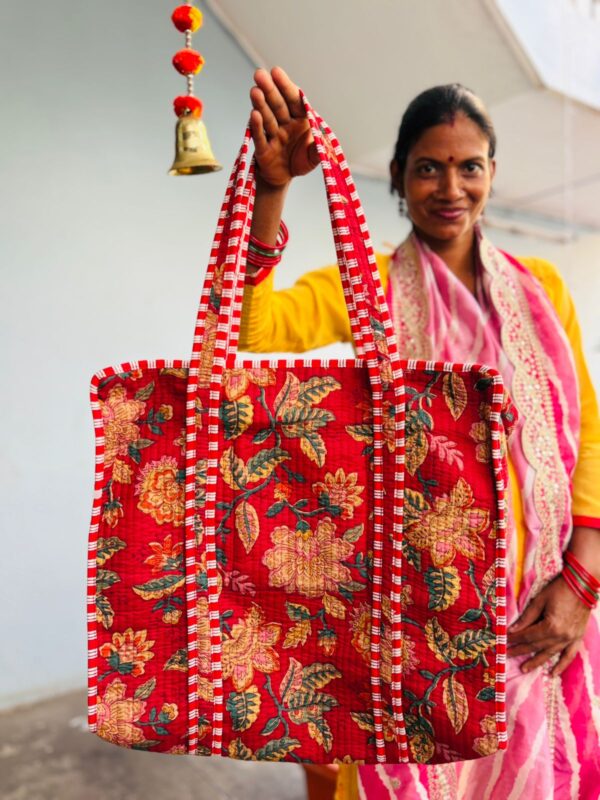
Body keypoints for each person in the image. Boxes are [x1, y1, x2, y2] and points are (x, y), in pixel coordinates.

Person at [238, 66, 600, 799]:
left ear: (492, 174)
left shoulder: (543, 289)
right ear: (400, 177)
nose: (450, 187)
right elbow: (253, 328)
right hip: (412, 623)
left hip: (543, 614)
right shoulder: (365, 288)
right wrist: (273, 189)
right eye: (429, 168)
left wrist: (582, 583)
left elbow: (588, 431)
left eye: (469, 167)